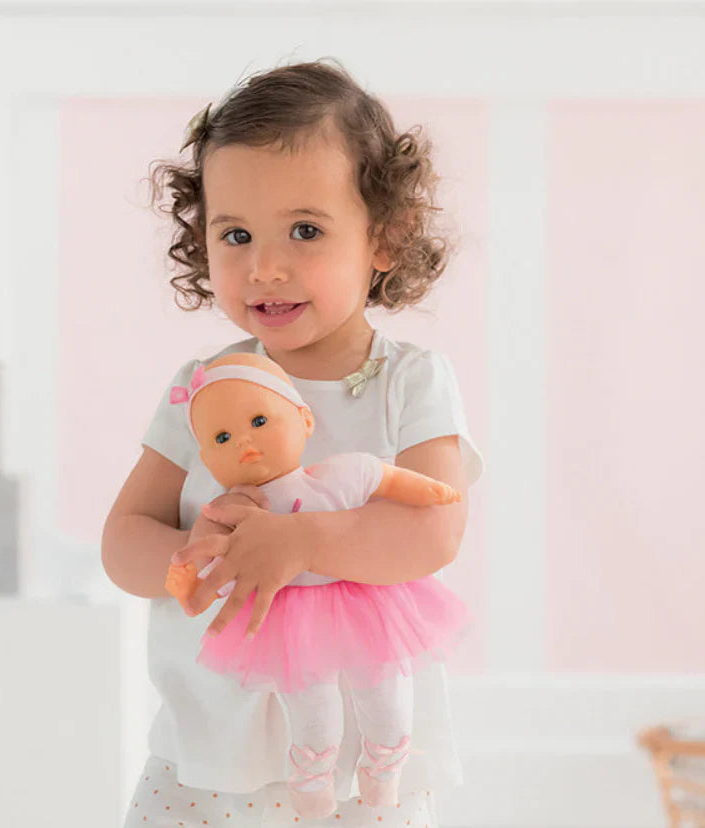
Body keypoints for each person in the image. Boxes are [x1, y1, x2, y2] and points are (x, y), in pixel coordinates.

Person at [102, 57, 484, 828]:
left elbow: (433, 528)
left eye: (305, 230)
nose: (264, 266)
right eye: (235, 234)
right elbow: (123, 540)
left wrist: (298, 542)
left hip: (357, 766)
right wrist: (188, 556)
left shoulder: (408, 381)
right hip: (211, 742)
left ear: (384, 237)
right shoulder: (204, 386)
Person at [163, 352, 469, 818]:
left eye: (259, 420)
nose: (244, 441)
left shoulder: (341, 473)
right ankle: (311, 781)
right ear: (208, 459)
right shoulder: (231, 510)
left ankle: (383, 768)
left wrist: (434, 492)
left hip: (367, 602)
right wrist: (189, 582)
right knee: (313, 713)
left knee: (387, 697)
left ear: (303, 419)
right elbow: (213, 563)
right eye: (223, 438)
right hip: (292, 624)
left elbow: (389, 479)